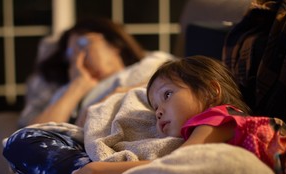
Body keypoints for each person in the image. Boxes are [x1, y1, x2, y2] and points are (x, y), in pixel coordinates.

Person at [5, 56, 286, 174]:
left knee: (25, 143)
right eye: (155, 107)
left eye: (167, 96)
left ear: (210, 90)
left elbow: (175, 166)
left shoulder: (220, 116)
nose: (158, 113)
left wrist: (95, 171)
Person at [18, 17, 173, 127]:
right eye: (71, 55)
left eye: (83, 44)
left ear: (114, 44)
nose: (79, 59)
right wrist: (77, 86)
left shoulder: (151, 61)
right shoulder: (70, 91)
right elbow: (33, 135)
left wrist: (116, 95)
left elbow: (178, 81)